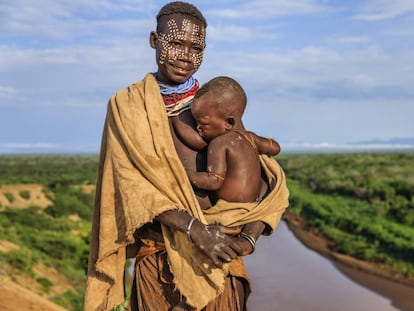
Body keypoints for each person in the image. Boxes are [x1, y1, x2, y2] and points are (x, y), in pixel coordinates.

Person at [84, 2, 289, 311]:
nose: (185, 56)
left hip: (218, 259)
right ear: (155, 41)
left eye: (196, 48)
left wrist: (247, 238)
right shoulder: (128, 107)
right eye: (176, 43)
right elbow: (132, 189)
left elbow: (256, 181)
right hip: (159, 260)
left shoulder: (217, 105)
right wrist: (195, 230)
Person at [185, 76, 281, 206]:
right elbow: (274, 148)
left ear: (229, 123)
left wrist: (185, 174)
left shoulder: (219, 143)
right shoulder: (250, 137)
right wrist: (270, 144)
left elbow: (214, 181)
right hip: (254, 204)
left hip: (231, 209)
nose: (197, 128)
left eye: (203, 124)